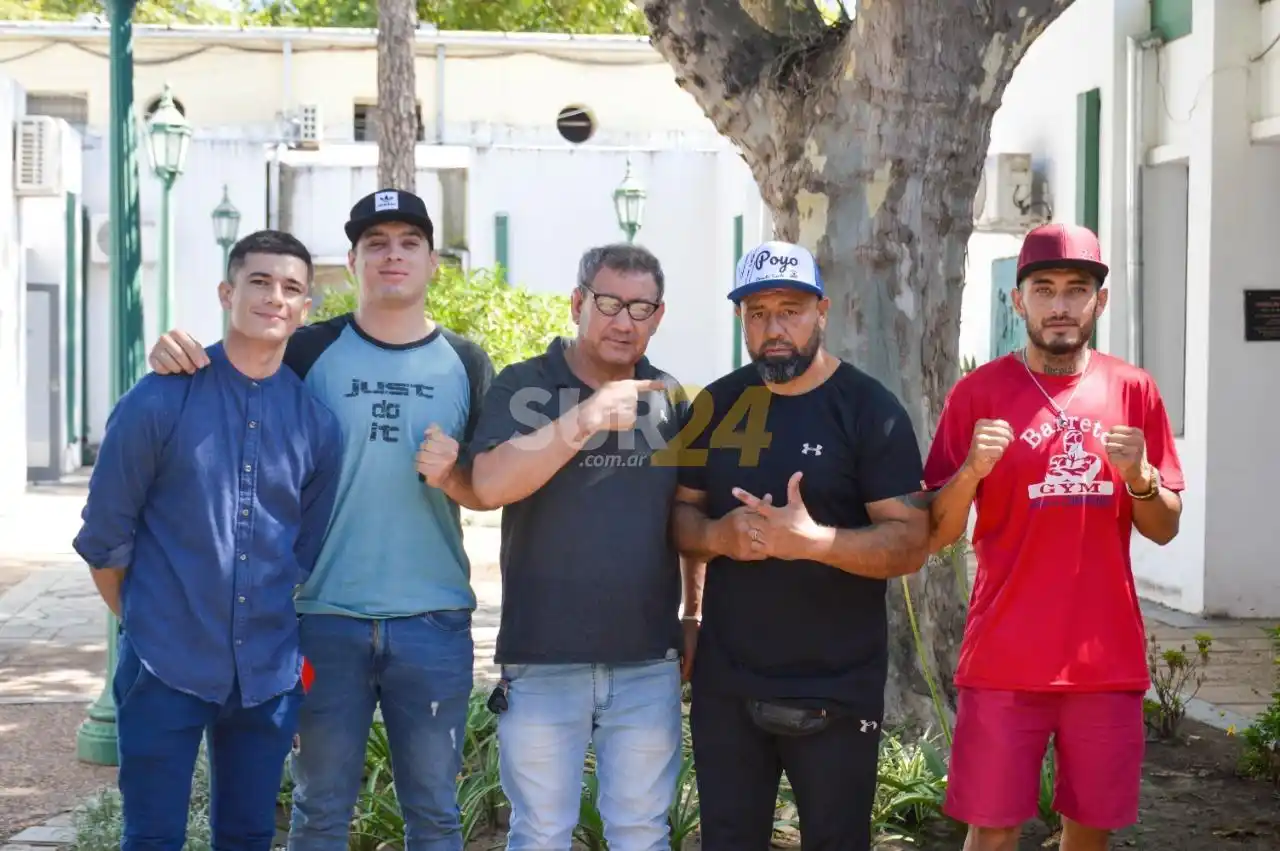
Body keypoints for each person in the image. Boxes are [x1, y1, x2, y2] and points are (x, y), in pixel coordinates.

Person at [144, 189, 495, 851]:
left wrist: (457, 474)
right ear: (354, 262)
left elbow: (488, 490)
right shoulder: (307, 351)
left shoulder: (468, 362)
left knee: (438, 815)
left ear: (432, 263)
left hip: (433, 621)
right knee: (319, 809)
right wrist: (173, 352)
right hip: (321, 618)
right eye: (376, 244)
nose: (393, 255)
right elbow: (227, 380)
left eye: (409, 242)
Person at [72, 229, 343, 851]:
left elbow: (300, 551)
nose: (276, 297)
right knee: (152, 837)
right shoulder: (158, 399)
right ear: (227, 291)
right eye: (260, 281)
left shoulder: (316, 426)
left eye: (292, 288)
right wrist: (149, 618)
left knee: (249, 835)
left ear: (305, 309)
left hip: (267, 675)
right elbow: (105, 538)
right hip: (164, 664)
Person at [922, 223, 1185, 851]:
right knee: (991, 828)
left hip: (1104, 660)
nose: (1060, 305)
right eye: (1044, 289)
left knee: (1089, 829)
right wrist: (970, 474)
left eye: (1077, 289)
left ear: (1100, 301)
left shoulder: (1132, 389)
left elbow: (1165, 527)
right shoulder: (977, 393)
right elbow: (937, 531)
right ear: (1019, 301)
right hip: (1002, 658)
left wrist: (1140, 476)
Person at [669, 240, 930, 851]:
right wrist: (715, 538)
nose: (774, 328)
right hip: (728, 681)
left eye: (790, 309)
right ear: (742, 321)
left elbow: (911, 543)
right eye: (758, 313)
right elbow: (681, 514)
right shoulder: (716, 405)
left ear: (822, 311)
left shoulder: (870, 411)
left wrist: (814, 543)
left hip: (837, 684)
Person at [465, 243, 698, 851]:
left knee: (642, 835)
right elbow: (488, 485)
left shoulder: (671, 398)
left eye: (641, 307)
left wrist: (694, 614)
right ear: (577, 303)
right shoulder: (524, 385)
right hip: (543, 658)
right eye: (609, 302)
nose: (625, 321)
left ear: (659, 315)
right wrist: (587, 417)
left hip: (647, 659)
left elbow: (689, 515)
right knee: (540, 834)